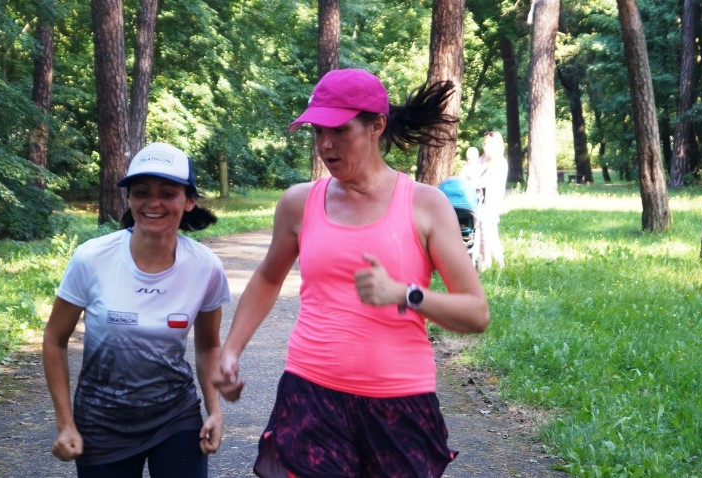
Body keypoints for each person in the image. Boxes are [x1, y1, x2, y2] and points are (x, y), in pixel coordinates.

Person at [214, 68, 490, 478]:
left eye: (339, 131)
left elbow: (476, 313)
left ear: (376, 125)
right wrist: (231, 349)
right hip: (310, 393)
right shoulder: (298, 203)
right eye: (316, 131)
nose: (325, 145)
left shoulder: (425, 205)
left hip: (399, 401)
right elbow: (269, 278)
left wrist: (406, 294)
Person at [43, 142, 231, 478]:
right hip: (101, 420)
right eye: (141, 192)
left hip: (176, 416)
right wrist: (65, 423)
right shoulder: (92, 258)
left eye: (168, 193)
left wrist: (214, 410)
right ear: (129, 199)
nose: (153, 203)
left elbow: (208, 345)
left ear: (189, 201)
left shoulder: (205, 267)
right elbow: (55, 339)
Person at [463, 131, 508, 270]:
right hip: (478, 202)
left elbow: (486, 182)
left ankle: (501, 265)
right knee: (479, 233)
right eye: (485, 144)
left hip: (491, 203)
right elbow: (470, 173)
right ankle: (484, 264)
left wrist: (472, 182)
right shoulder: (481, 160)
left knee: (489, 233)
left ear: (497, 146)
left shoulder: (500, 162)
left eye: (490, 145)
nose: (486, 147)